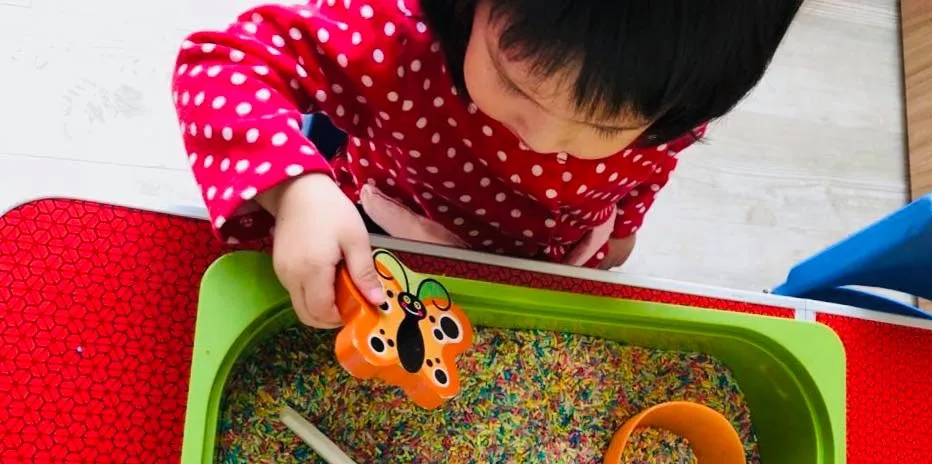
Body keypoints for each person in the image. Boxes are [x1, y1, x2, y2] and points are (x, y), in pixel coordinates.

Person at [173, 0, 802, 327]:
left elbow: (650, 168)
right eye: (517, 86)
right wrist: (295, 193)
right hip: (392, 232)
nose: (545, 137)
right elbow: (223, 63)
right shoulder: (397, 39)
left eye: (607, 126)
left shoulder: (673, 100)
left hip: (544, 263)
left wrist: (628, 223)